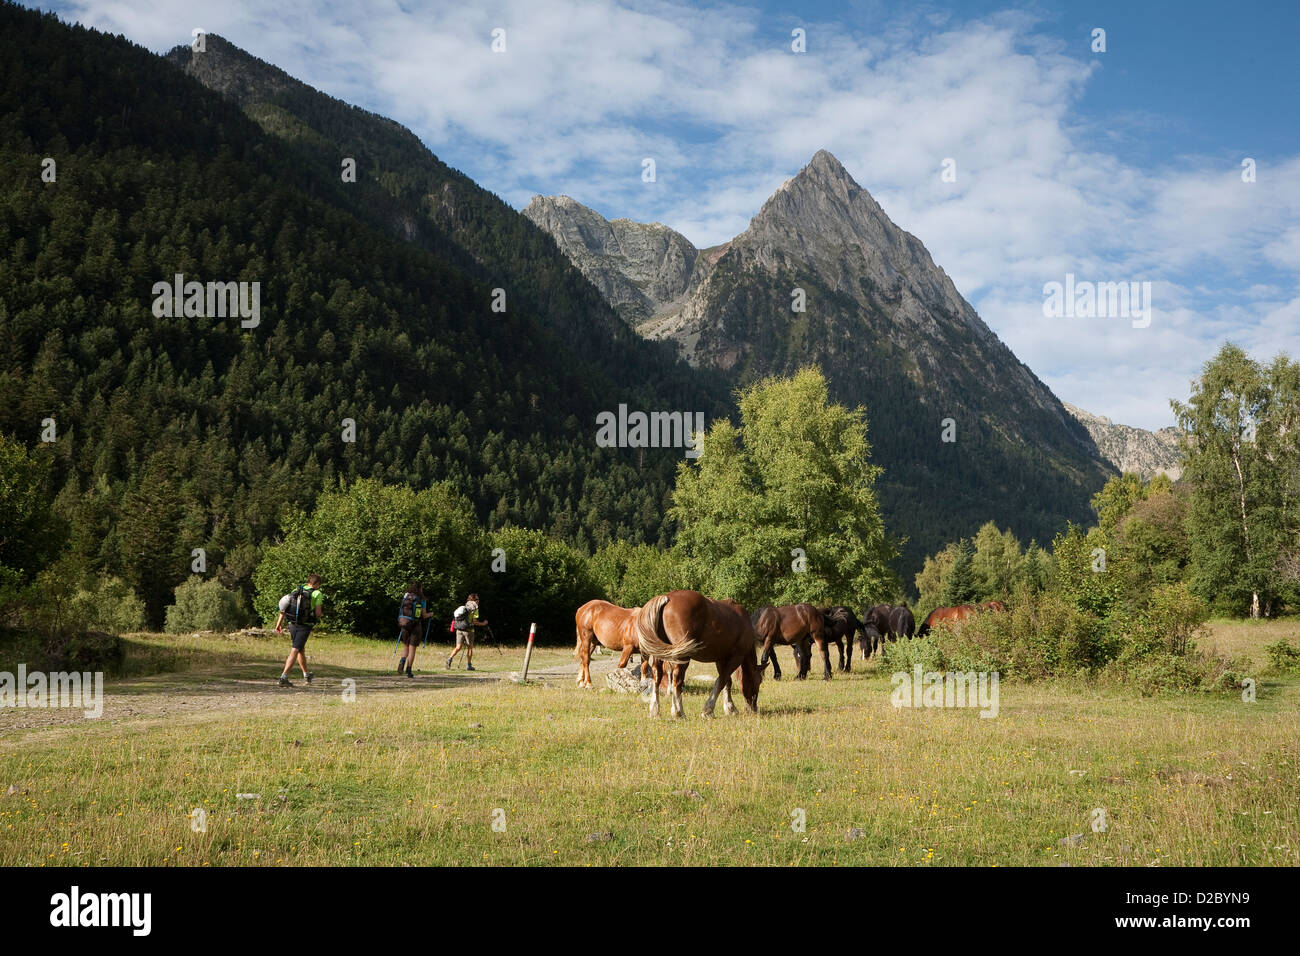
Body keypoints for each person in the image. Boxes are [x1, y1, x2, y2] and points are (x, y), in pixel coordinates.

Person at [275, 574, 324, 686]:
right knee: (295, 649)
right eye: (319, 585)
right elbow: (317, 613)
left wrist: (278, 624)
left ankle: (306, 674)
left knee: (300, 649)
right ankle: (283, 677)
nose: (319, 587)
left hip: (292, 623)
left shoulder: (296, 590)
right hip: (305, 625)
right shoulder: (317, 593)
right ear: (316, 584)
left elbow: (284, 607)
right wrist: (321, 614)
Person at [446, 593, 487, 671]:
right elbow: (475, 622)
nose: (478, 601)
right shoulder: (475, 609)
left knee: (458, 647)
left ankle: (450, 659)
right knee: (470, 647)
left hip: (459, 629)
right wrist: (483, 623)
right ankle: (469, 665)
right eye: (477, 599)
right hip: (469, 630)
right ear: (473, 600)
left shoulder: (464, 607)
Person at [396, 582, 426, 678]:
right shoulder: (422, 599)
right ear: (420, 588)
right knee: (412, 648)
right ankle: (408, 670)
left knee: (406, 646)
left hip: (404, 623)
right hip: (415, 625)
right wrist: (430, 614)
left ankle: (402, 660)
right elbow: (424, 615)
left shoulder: (406, 596)